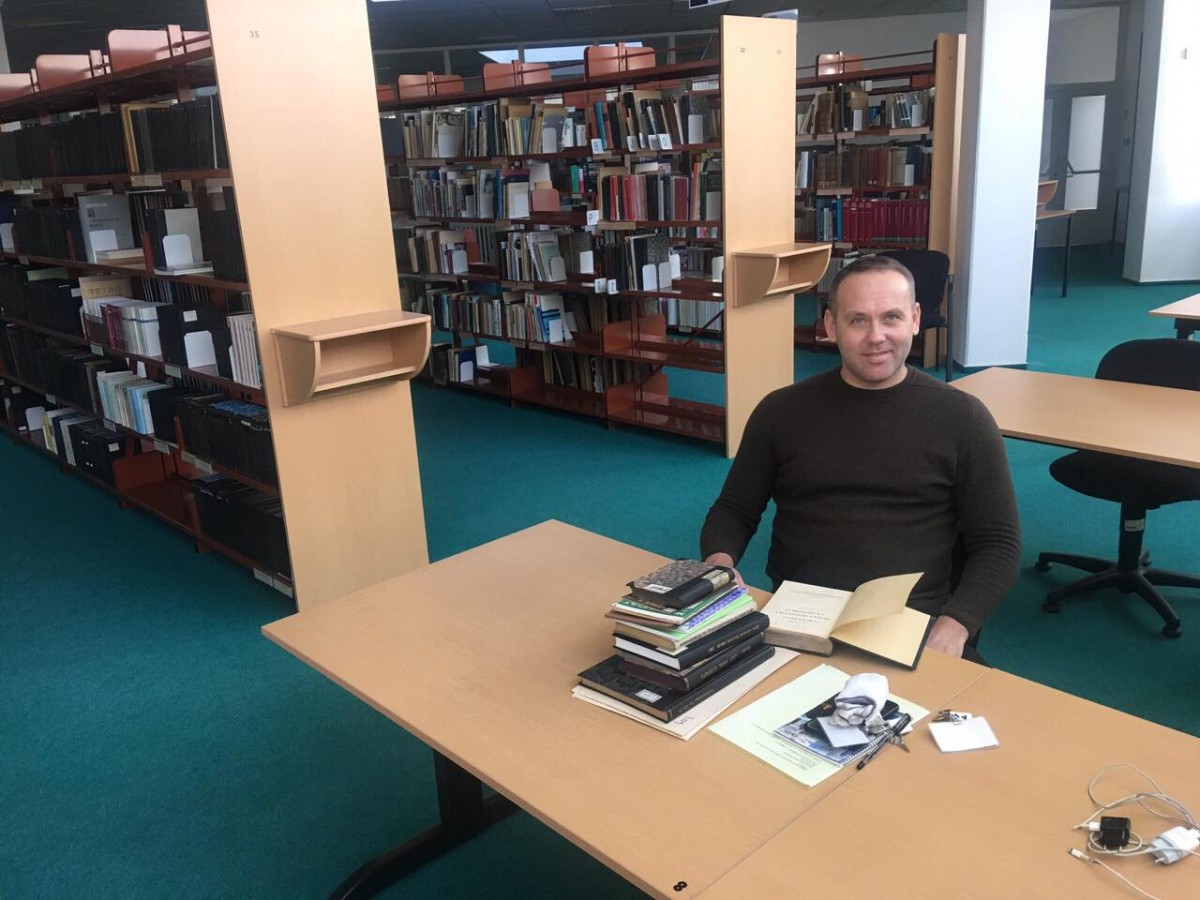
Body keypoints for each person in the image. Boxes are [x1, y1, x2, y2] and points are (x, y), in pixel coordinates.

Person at [700, 254, 1020, 658]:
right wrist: (720, 564)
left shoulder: (963, 418)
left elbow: (998, 542)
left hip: (911, 623)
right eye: (857, 320)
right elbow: (735, 509)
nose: (876, 336)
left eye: (891, 318)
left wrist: (956, 625)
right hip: (798, 617)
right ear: (831, 326)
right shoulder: (781, 411)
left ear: (915, 319)